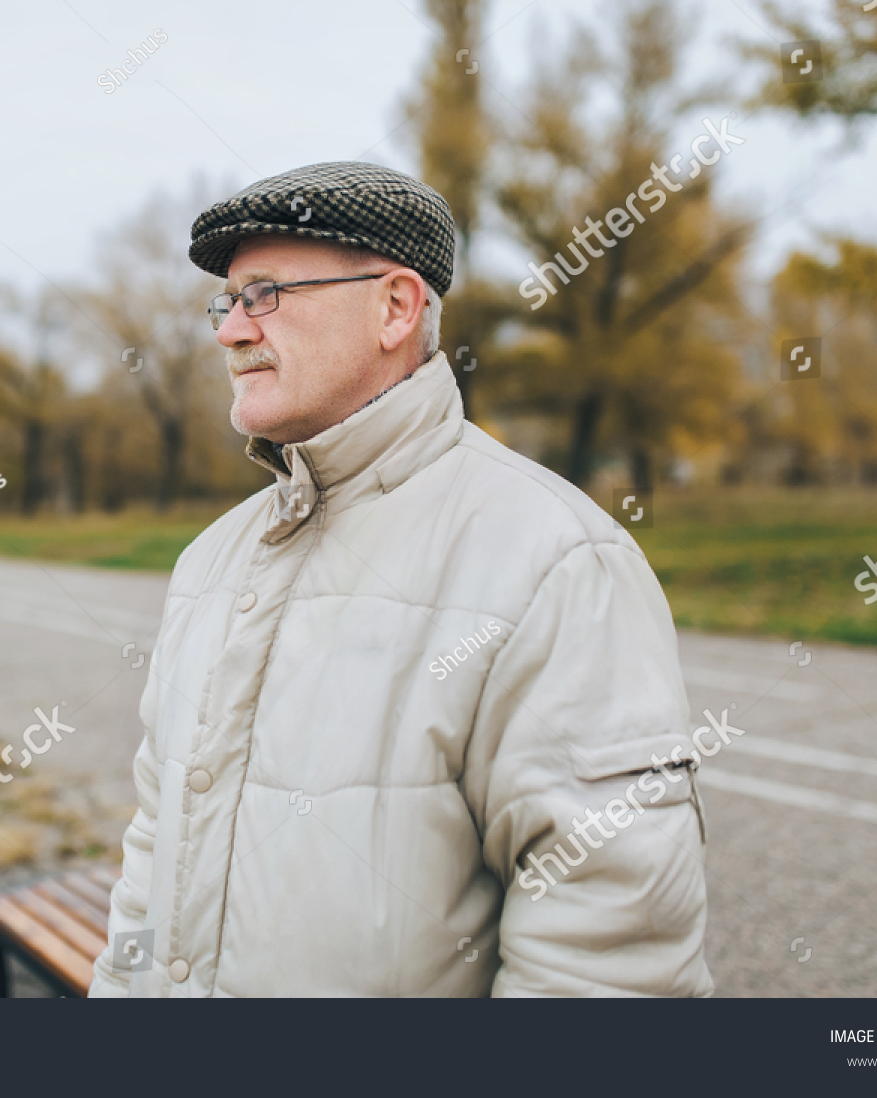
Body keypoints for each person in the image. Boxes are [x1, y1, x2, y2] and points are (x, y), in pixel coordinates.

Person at [89, 161, 713, 997]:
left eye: (266, 294)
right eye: (226, 303)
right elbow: (153, 852)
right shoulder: (210, 561)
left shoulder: (558, 561)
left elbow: (610, 957)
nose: (230, 333)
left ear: (395, 307)